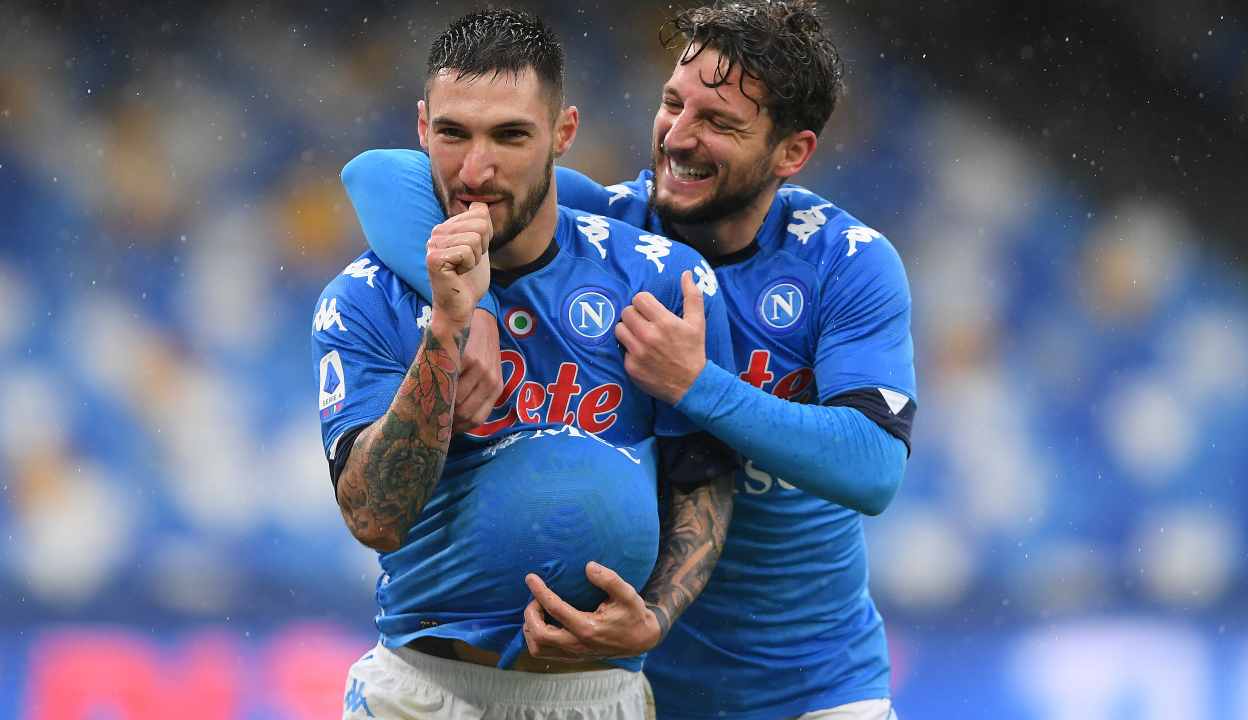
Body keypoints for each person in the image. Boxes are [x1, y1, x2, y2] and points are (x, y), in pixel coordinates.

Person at [343, 1, 916, 719]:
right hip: (632, 681)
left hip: (813, 687)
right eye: (673, 104)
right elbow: (380, 175)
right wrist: (478, 313)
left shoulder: (846, 263)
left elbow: (872, 467)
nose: (679, 137)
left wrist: (698, 386)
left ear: (791, 153)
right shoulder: (614, 226)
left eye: (719, 123)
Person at [312, 9, 738, 718]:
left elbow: (702, 480)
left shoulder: (661, 279)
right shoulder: (363, 298)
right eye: (453, 134)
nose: (476, 169)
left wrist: (657, 615)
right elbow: (373, 517)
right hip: (424, 692)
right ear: (422, 131)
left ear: (563, 134)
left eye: (510, 135)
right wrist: (449, 326)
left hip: (597, 695)